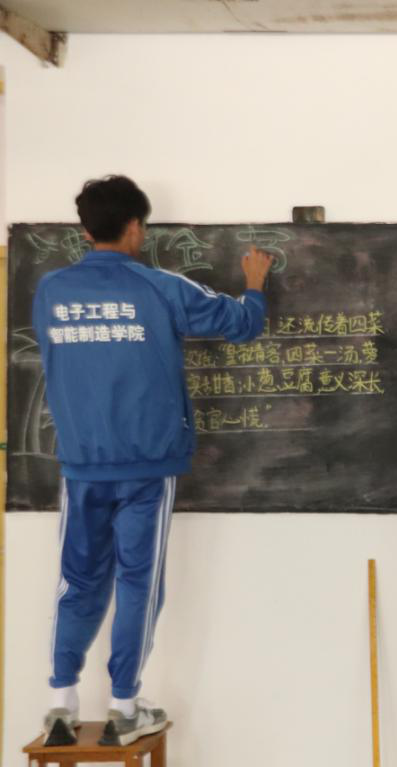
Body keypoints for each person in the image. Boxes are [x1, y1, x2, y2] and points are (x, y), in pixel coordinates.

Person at [34, 175, 273, 746]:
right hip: (147, 463)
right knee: (138, 582)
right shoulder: (159, 287)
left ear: (85, 230)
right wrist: (255, 285)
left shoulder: (50, 291)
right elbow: (241, 324)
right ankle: (124, 706)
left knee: (77, 581)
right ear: (136, 227)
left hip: (82, 462)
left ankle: (61, 701)